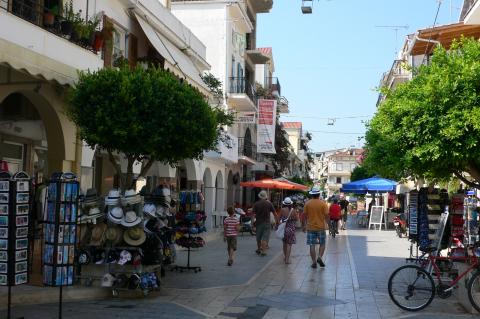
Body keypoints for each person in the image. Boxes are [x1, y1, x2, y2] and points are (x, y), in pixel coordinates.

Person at [303, 186, 329, 268]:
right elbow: (327, 215)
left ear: (312, 195)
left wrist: (303, 225)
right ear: (319, 194)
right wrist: (329, 224)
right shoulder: (323, 204)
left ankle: (314, 262)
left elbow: (304, 215)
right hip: (321, 227)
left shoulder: (307, 204)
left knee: (312, 245)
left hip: (310, 228)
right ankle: (320, 257)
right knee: (322, 244)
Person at [252, 190, 275, 256]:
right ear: (265, 196)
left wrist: (252, 224)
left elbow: (253, 215)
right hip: (267, 223)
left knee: (258, 237)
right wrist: (277, 221)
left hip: (258, 223)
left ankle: (259, 249)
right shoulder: (269, 203)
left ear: (260, 196)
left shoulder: (256, 204)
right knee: (265, 238)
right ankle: (264, 251)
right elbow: (274, 213)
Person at [279, 197, 298, 264]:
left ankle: (285, 257)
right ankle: (287, 259)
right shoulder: (293, 210)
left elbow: (279, 219)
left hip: (284, 228)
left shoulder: (282, 210)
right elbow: (297, 219)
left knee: (284, 243)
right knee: (289, 244)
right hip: (291, 228)